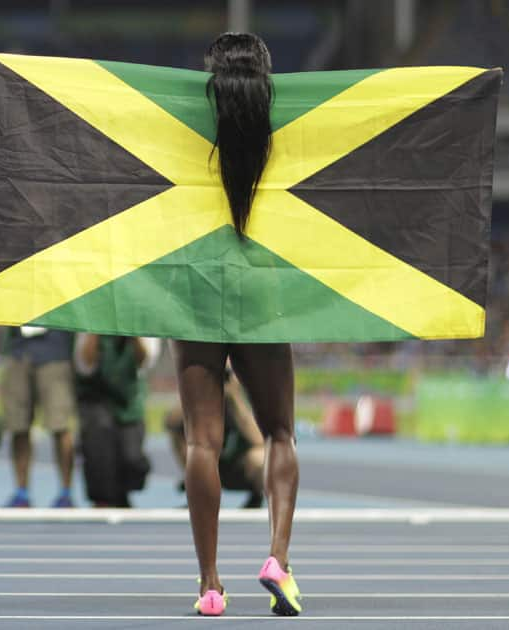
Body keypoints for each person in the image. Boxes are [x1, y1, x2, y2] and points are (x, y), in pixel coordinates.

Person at [177, 33, 301, 617]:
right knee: (280, 431)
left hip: (198, 283)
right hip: (261, 284)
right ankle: (278, 557)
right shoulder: (289, 122)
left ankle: (209, 583)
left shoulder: (183, 122)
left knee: (202, 439)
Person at [73, 334, 160, 508]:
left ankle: (124, 490)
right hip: (96, 396)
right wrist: (95, 329)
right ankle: (102, 499)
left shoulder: (141, 319)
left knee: (133, 458)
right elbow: (85, 365)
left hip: (129, 399)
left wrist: (132, 332)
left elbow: (145, 362)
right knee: (99, 437)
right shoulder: (91, 319)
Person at [165, 368, 265, 509]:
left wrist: (234, 398)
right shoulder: (201, 395)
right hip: (210, 465)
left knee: (260, 456)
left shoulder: (247, 392)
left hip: (239, 466)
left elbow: (258, 439)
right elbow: (171, 422)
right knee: (178, 439)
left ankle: (256, 496)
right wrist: (196, 392)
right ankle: (199, 494)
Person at [0, 327, 76, 508]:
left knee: (60, 425)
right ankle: (21, 492)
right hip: (19, 351)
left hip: (55, 352)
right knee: (18, 426)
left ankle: (66, 492)